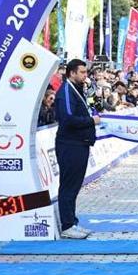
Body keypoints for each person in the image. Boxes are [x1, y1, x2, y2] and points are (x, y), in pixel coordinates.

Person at [54, 59, 101, 239]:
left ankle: (72, 222)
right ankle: (67, 225)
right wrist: (91, 121)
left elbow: (87, 108)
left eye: (85, 72)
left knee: (74, 186)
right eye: (82, 72)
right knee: (68, 185)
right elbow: (67, 119)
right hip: (70, 145)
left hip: (81, 143)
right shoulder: (66, 91)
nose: (85, 76)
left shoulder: (79, 89)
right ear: (72, 73)